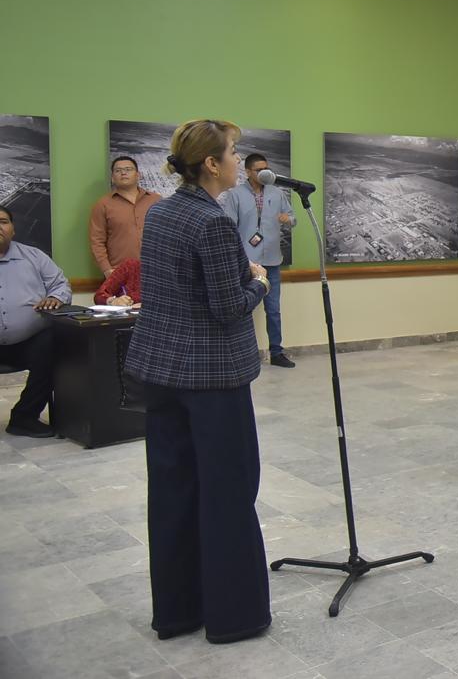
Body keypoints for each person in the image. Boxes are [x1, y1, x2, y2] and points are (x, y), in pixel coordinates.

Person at [123, 119, 273, 645]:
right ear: (211, 163)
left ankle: (178, 612)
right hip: (211, 378)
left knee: (173, 490)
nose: (238, 162)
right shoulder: (212, 222)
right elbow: (227, 307)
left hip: (162, 372)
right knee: (228, 491)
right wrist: (258, 282)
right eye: (232, 153)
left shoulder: (162, 212)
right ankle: (235, 617)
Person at [0, 205, 71, 438]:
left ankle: (24, 417)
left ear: (13, 229)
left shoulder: (34, 256)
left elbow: (60, 285)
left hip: (29, 341)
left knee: (56, 348)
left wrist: (55, 298)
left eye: (3, 222)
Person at [222, 152, 297, 368]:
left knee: (273, 310)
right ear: (247, 172)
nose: (264, 173)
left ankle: (277, 352)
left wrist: (288, 219)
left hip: (272, 262)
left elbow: (293, 218)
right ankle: (239, 355)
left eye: (267, 169)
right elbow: (229, 226)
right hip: (246, 263)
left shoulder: (277, 193)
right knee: (240, 309)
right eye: (259, 170)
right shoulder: (235, 195)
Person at [89, 155, 160, 278]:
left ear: (138, 175)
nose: (123, 173)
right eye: (118, 170)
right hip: (120, 273)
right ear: (112, 178)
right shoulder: (103, 205)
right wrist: (107, 270)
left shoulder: (156, 200)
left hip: (156, 269)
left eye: (128, 169)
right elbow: (97, 241)